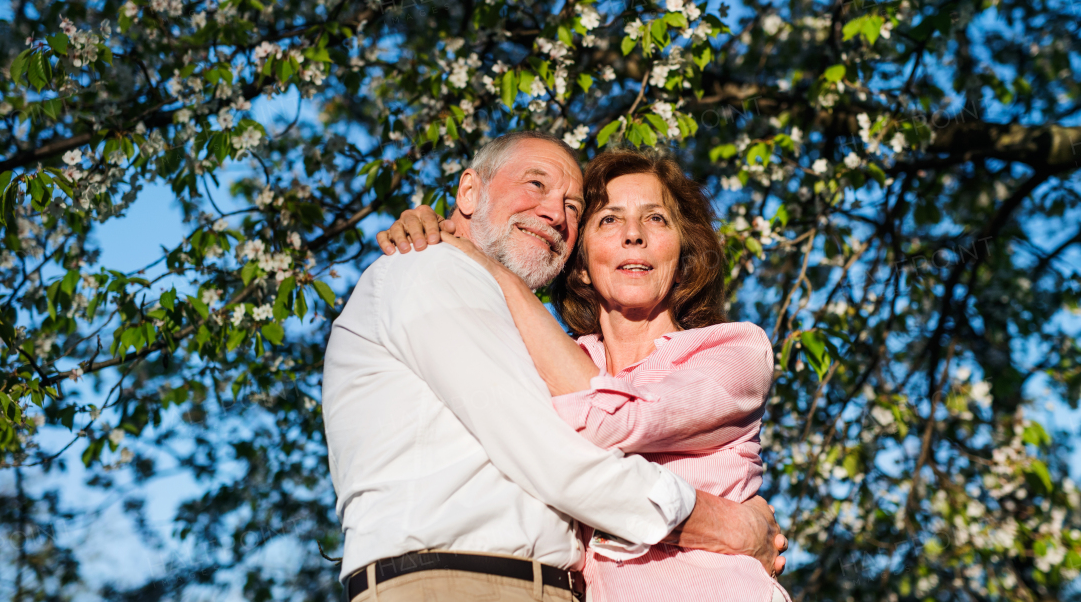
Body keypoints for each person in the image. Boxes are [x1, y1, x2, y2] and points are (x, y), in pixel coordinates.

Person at [324, 131, 785, 602]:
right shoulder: (435, 273)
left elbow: (612, 415)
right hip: (462, 580)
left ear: (683, 257)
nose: (633, 234)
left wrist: (488, 265)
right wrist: (722, 523)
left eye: (571, 205)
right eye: (537, 184)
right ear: (581, 265)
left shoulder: (731, 349)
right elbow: (556, 454)